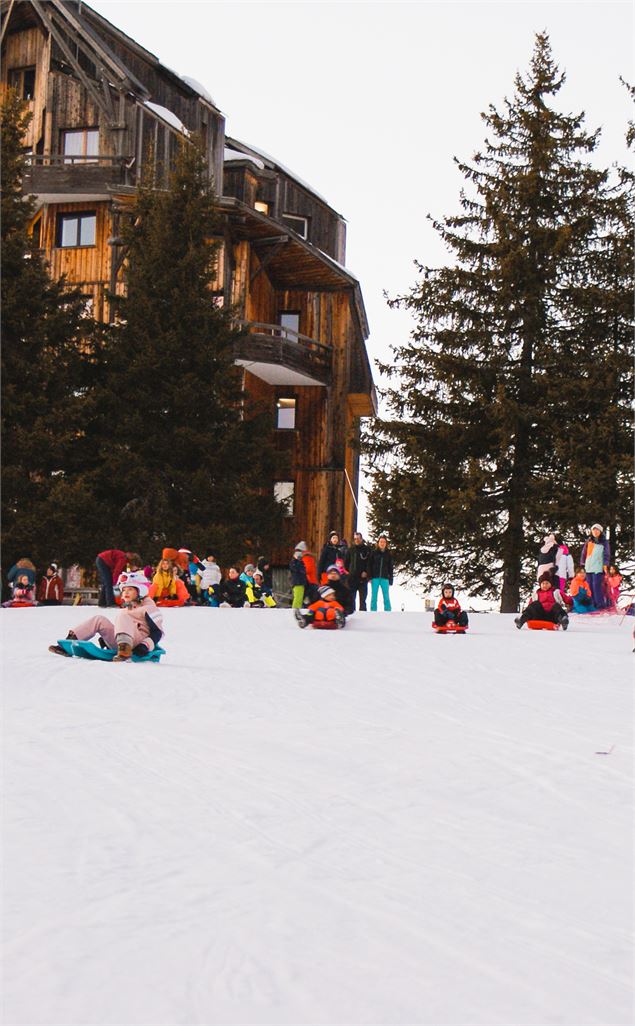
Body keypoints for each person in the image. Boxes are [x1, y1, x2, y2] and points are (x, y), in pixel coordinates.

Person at [49, 571, 164, 661]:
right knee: (99, 619)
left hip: (138, 643)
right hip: (123, 641)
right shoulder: (128, 607)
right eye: (124, 590)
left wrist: (145, 646)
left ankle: (125, 651)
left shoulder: (149, 607)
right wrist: (108, 637)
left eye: (130, 589)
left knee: (122, 616)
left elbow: (157, 632)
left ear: (141, 591)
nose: (126, 593)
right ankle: (70, 642)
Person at [579, 524, 610, 610]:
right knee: (589, 586)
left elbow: (606, 554)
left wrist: (605, 564)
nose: (595, 532)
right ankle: (592, 604)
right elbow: (584, 553)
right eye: (593, 530)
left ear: (600, 531)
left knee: (596, 585)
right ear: (591, 532)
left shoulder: (604, 542)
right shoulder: (589, 542)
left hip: (598, 567)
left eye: (597, 530)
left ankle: (600, 605)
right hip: (588, 566)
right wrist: (582, 564)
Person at [346, 531, 371, 611]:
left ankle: (363, 615)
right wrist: (348, 573)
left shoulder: (367, 549)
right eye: (355, 539)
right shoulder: (350, 550)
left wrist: (366, 572)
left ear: (361, 539)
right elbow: (346, 562)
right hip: (352, 578)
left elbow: (369, 562)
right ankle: (352, 613)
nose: (356, 540)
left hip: (362, 579)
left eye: (358, 538)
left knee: (363, 599)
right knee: (351, 598)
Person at [369, 535, 393, 612]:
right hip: (375, 577)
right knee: (374, 596)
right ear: (378, 543)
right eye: (381, 542)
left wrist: (391, 579)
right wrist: (369, 577)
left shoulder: (388, 554)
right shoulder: (374, 553)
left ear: (386, 543)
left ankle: (388, 610)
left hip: (385, 578)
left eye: (384, 542)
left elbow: (390, 567)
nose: (382, 543)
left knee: (386, 596)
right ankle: (373, 611)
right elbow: (369, 565)